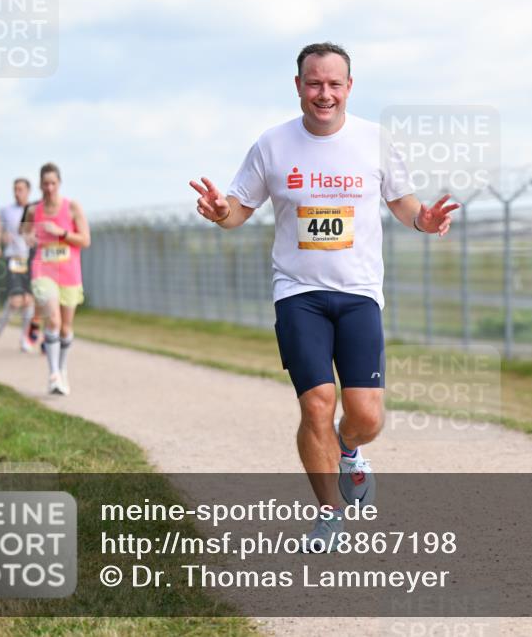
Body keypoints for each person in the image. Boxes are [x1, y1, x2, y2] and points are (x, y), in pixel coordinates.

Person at [190, 42, 458, 552]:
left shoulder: (375, 142)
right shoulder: (272, 145)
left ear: (350, 88)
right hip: (299, 293)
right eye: (314, 83)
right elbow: (237, 212)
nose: (324, 94)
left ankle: (350, 450)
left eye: (334, 84)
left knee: (366, 416)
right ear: (298, 86)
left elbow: (405, 206)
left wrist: (423, 220)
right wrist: (219, 211)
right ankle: (329, 512)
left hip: (358, 294)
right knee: (317, 404)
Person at [27, 162, 90, 395]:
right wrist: (30, 239)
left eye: (53, 183)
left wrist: (61, 232)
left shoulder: (72, 207)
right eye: (45, 183)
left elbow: (85, 240)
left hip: (69, 272)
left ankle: (62, 370)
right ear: (40, 185)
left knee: (66, 326)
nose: (49, 187)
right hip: (43, 270)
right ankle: (53, 374)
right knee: (52, 319)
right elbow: (26, 234)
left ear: (59, 183)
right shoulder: (34, 211)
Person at [0, 177, 37, 351]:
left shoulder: (34, 210)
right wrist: (1, 239)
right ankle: (3, 320)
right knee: (16, 299)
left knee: (29, 300)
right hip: (13, 257)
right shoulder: (6, 211)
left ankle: (24, 338)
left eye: (21, 189)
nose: (17, 192)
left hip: (30, 257)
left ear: (28, 191)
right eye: (15, 189)